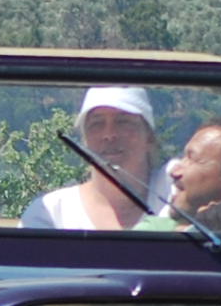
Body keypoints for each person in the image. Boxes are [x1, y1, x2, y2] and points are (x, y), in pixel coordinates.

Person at [23, 87, 173, 231]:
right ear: (84, 140)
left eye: (123, 122)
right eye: (97, 123)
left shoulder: (174, 197)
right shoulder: (51, 214)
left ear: (149, 137)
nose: (109, 135)